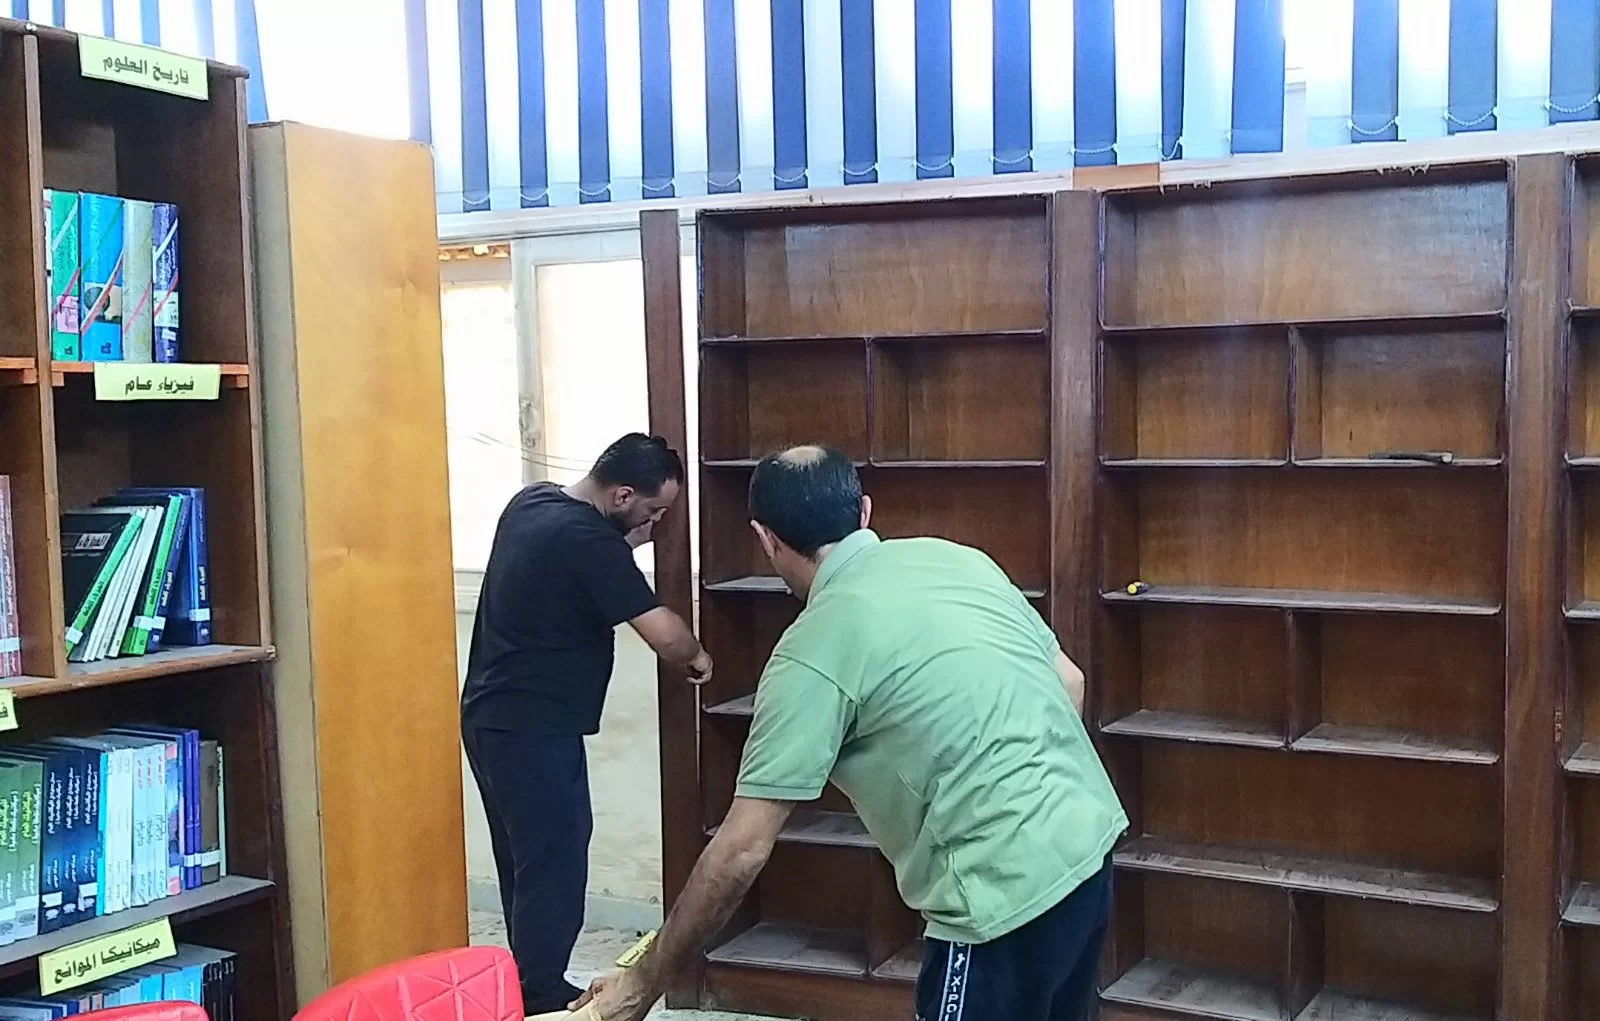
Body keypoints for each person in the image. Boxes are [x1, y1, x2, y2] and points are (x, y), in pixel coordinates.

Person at [577, 444, 1127, 1021]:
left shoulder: (810, 650)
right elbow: (1069, 681)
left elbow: (741, 850)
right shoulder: (957, 559)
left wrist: (642, 984)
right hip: (1087, 845)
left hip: (998, 898)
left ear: (765, 539)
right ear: (864, 510)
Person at [460, 432, 712, 1012]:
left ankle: (525, 984)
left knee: (524, 860)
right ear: (622, 495)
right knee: (557, 860)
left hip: (490, 718)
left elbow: (570, 575)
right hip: (534, 728)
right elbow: (664, 635)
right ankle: (543, 993)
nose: (657, 523)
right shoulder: (589, 541)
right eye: (654, 511)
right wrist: (700, 659)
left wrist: (624, 539)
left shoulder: (532, 502)